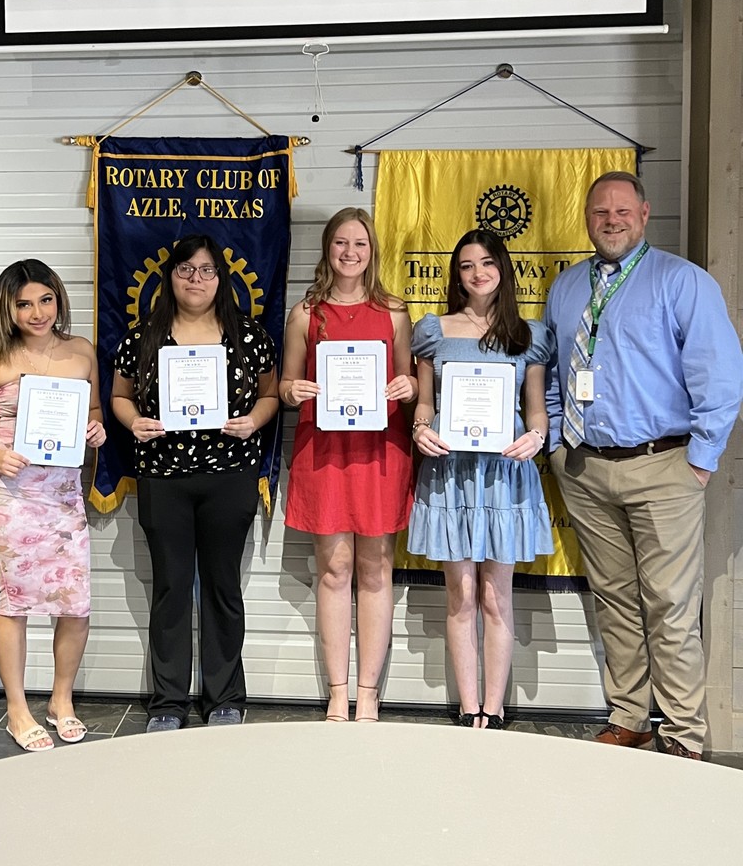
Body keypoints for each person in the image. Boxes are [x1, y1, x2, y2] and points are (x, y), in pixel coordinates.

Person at [545, 170, 743, 759]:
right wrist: (558, 442)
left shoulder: (683, 282)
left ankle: (683, 735)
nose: (611, 221)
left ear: (645, 213)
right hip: (585, 470)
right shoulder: (568, 287)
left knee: (671, 607)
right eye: (600, 212)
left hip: (665, 466)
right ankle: (628, 716)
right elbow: (555, 371)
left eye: (622, 211)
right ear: (586, 217)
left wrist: (700, 461)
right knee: (615, 599)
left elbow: (719, 376)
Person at [111, 234, 279, 731]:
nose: (196, 280)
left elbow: (271, 395)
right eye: (186, 269)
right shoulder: (142, 336)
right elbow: (120, 396)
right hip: (164, 477)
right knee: (171, 588)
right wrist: (132, 421)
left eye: (206, 270)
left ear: (220, 278)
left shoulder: (248, 336)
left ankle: (224, 696)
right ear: (170, 277)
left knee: (223, 586)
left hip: (231, 474)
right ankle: (168, 702)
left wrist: (254, 420)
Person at [0, 260, 105, 752]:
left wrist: (97, 430)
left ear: (58, 299)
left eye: (45, 300)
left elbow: (96, 410)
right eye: (24, 303)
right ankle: (17, 709)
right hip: (9, 493)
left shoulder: (81, 352)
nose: (37, 312)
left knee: (74, 601)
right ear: (8, 308)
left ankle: (61, 700)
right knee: (15, 600)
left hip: (62, 493)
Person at [409, 229, 554, 728]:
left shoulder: (527, 335)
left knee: (497, 595)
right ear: (457, 274)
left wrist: (536, 438)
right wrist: (420, 428)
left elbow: (536, 413)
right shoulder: (433, 330)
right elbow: (425, 401)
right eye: (467, 265)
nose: (477, 273)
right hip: (451, 472)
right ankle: (466, 706)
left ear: (503, 269)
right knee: (460, 594)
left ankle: (494, 711)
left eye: (487, 263)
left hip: (505, 475)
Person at [281, 207, 416, 724]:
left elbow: (409, 385)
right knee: (334, 569)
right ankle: (338, 689)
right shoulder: (305, 314)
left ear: (372, 250)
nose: (350, 253)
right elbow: (287, 386)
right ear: (327, 248)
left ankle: (368, 692)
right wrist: (295, 389)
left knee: (376, 568)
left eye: (360, 244)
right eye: (341, 243)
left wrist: (407, 388)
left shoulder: (395, 313)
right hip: (326, 450)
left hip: (380, 451)